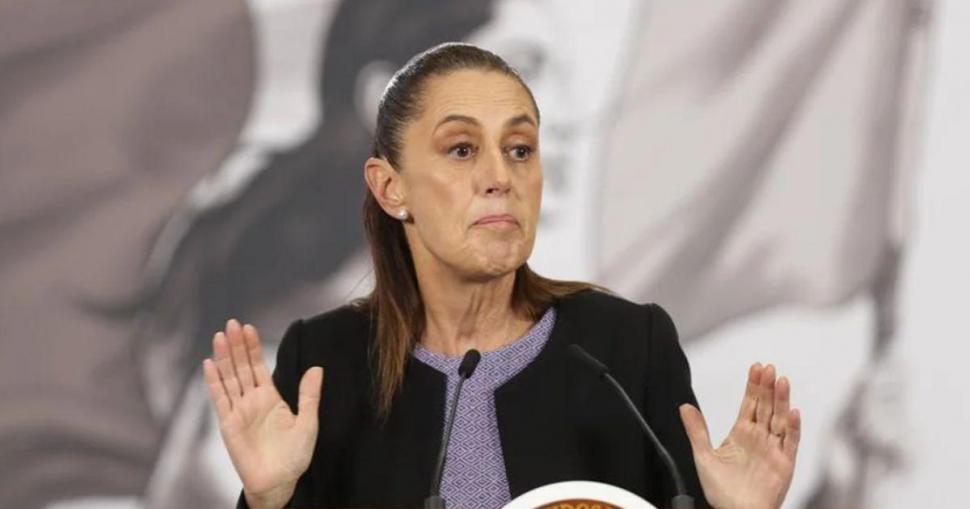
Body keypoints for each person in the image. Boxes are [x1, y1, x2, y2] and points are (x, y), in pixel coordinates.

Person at [203, 43, 801, 509]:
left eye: (520, 149)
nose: (500, 177)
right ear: (391, 188)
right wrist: (268, 500)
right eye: (462, 149)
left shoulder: (627, 347)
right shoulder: (322, 363)